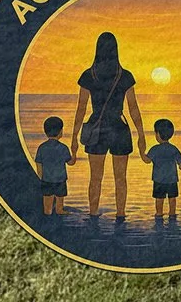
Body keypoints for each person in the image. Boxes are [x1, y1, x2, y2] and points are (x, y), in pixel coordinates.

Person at [69, 31, 146, 221]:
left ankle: (93, 214)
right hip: (119, 128)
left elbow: (81, 108)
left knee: (95, 178)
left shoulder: (89, 75)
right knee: (121, 178)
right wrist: (142, 135)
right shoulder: (125, 76)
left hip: (97, 129)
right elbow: (133, 108)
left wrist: (74, 137)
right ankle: (120, 215)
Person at [35, 115, 73, 216]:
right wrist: (74, 153)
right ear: (61, 131)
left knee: (47, 201)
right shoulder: (63, 148)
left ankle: (47, 213)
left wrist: (41, 176)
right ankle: (59, 210)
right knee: (60, 198)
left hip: (46, 179)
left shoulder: (42, 147)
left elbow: (38, 163)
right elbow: (70, 162)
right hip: (60, 179)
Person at [146, 118, 181, 218]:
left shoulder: (154, 149)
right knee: (172, 198)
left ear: (157, 134)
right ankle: (172, 214)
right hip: (172, 179)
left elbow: (147, 160)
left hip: (159, 180)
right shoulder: (174, 148)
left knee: (159, 199)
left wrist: (141, 152)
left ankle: (159, 214)